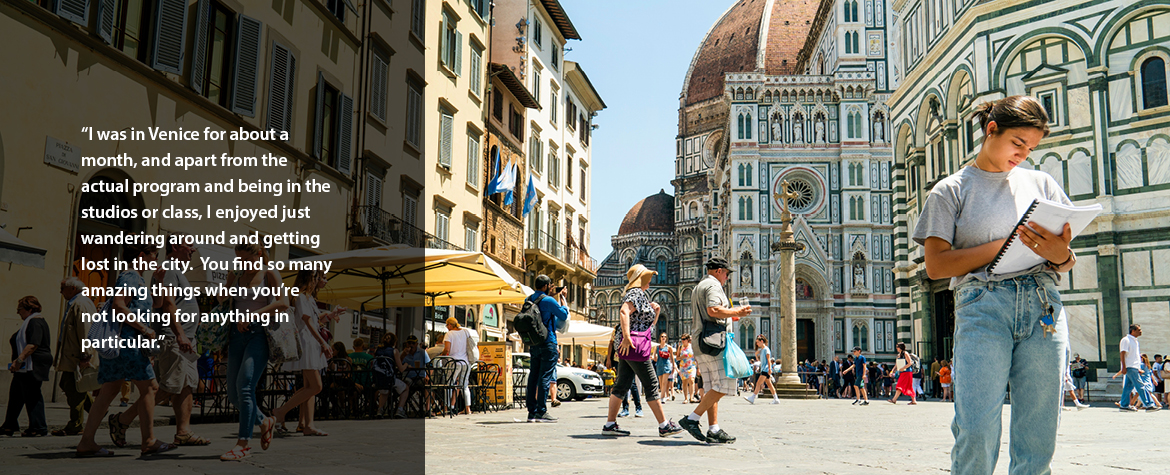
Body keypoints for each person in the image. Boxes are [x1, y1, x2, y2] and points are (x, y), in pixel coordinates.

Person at [914, 95, 1079, 474]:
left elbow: (1066, 260)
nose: (1023, 154)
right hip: (982, 306)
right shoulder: (951, 190)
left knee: (1039, 433)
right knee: (976, 428)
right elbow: (937, 265)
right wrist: (1009, 244)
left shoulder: (1042, 183)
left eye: (1032, 148)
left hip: (1043, 306)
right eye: (1017, 143)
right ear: (992, 130)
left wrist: (1058, 252)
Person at [75, 244, 173, 457]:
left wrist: (159, 280)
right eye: (153, 256)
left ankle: (87, 441)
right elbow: (119, 306)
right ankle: (148, 441)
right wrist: (145, 329)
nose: (155, 260)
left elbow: (157, 303)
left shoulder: (138, 279)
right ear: (141, 255)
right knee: (150, 388)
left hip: (123, 344)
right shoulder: (129, 277)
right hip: (129, 344)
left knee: (109, 391)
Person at [218, 243, 289, 461]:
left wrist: (253, 315)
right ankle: (265, 421)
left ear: (258, 254)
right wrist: (228, 283)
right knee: (232, 393)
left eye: (245, 258)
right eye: (238, 258)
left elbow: (283, 302)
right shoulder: (237, 275)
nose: (241, 262)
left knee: (245, 386)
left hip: (259, 334)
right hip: (236, 334)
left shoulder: (270, 273)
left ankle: (243, 444)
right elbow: (221, 300)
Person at [600, 264, 684, 437]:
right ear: (641, 278)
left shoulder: (640, 295)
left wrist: (657, 311)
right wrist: (626, 336)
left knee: (622, 385)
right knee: (652, 384)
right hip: (635, 347)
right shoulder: (636, 293)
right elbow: (624, 312)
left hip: (633, 346)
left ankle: (610, 424)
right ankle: (664, 425)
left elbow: (647, 327)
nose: (651, 280)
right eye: (648, 277)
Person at [678, 258, 752, 444]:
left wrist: (729, 317)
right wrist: (738, 312)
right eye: (727, 273)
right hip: (713, 342)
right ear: (719, 271)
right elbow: (712, 310)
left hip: (701, 341)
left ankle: (714, 429)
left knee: (711, 386)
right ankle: (692, 419)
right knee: (726, 383)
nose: (727, 278)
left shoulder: (699, 286)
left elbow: (712, 313)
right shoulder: (713, 286)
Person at [142, 239, 208, 446]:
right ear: (175, 247)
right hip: (174, 338)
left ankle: (183, 432)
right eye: (189, 245)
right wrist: (179, 334)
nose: (194, 249)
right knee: (171, 386)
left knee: (187, 385)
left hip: (186, 339)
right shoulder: (169, 269)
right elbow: (168, 304)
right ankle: (123, 419)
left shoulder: (175, 271)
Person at [273, 270, 337, 436]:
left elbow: (314, 320)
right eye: (317, 277)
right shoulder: (301, 297)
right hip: (307, 343)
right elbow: (307, 321)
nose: (318, 281)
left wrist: (330, 316)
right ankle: (281, 411)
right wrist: (322, 342)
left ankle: (307, 424)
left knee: (310, 387)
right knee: (315, 386)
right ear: (309, 278)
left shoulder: (308, 298)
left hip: (311, 343)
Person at [52, 278, 97, 436]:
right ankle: (98, 411)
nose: (61, 291)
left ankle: (75, 424)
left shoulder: (81, 304)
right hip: (70, 356)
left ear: (72, 288)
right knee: (68, 385)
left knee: (74, 389)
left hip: (76, 357)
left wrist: (86, 354)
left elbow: (85, 330)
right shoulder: (75, 303)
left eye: (63, 287)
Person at [2, 296, 52, 438]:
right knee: (16, 394)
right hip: (25, 366)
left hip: (32, 365)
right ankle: (9, 425)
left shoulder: (35, 322)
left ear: (29, 309)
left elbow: (33, 344)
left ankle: (38, 427)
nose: (18, 312)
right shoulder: (29, 322)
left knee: (32, 395)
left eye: (20, 309)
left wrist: (19, 360)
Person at [524, 274, 569, 423]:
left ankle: (532, 412)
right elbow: (563, 314)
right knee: (545, 377)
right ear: (545, 286)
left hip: (534, 342)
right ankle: (542, 412)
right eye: (550, 285)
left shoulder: (528, 299)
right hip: (548, 341)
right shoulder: (549, 300)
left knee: (533, 376)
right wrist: (563, 299)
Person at [1116, 324, 1157, 412]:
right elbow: (1122, 353)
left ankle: (1124, 405)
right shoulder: (1126, 340)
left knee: (1128, 387)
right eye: (1139, 330)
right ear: (1133, 331)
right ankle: (1149, 404)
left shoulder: (1135, 341)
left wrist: (1138, 367)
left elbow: (1135, 356)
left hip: (1134, 366)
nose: (1141, 331)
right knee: (1140, 385)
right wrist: (1123, 367)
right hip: (1130, 366)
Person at [440, 317, 473, 415]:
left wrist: (441, 357)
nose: (447, 327)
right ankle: (468, 409)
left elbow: (447, 350)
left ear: (450, 325)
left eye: (447, 325)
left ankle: (447, 408)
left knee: (449, 384)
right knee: (464, 385)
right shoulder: (465, 332)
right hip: (466, 362)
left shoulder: (449, 334)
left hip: (454, 362)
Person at [372, 333, 410, 418]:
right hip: (389, 378)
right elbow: (401, 368)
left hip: (378, 379)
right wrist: (406, 364)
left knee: (384, 391)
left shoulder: (377, 350)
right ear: (394, 342)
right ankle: (400, 410)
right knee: (406, 388)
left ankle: (380, 410)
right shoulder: (394, 351)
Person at [744, 335, 780, 405]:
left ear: (761, 341)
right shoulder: (763, 350)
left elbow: (768, 359)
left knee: (758, 383)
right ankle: (776, 399)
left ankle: (752, 398)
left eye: (757, 342)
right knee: (769, 384)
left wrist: (770, 369)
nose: (757, 344)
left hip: (765, 369)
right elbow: (759, 359)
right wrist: (756, 355)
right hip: (764, 369)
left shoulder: (766, 349)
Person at [653, 333, 676, 404]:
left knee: (664, 382)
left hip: (667, 365)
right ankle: (663, 396)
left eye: (665, 337)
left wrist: (674, 366)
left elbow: (672, 357)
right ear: (660, 338)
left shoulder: (669, 347)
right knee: (660, 382)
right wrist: (655, 358)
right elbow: (654, 357)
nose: (663, 338)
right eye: (662, 336)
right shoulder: (657, 347)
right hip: (659, 365)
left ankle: (662, 397)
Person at [677, 334, 698, 403]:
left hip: (691, 365)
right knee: (684, 382)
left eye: (684, 339)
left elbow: (696, 356)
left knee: (692, 380)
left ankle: (691, 398)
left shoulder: (692, 347)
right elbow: (677, 358)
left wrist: (698, 367)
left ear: (688, 340)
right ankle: (686, 398)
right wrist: (681, 357)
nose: (683, 341)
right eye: (682, 339)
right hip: (683, 367)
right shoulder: (680, 347)